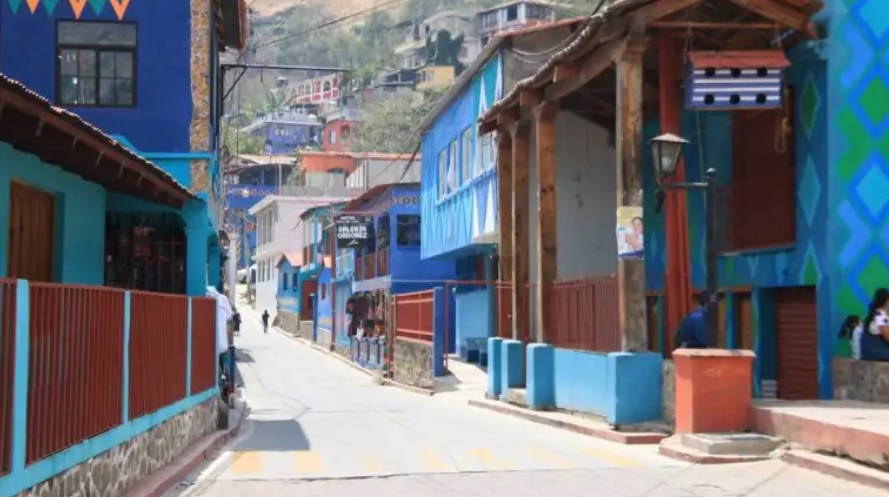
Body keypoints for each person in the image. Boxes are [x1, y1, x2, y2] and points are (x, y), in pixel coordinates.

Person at [861, 288, 889, 361]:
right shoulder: (880, 315)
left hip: (870, 351)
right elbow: (887, 336)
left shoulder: (874, 313)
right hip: (877, 351)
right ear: (886, 300)